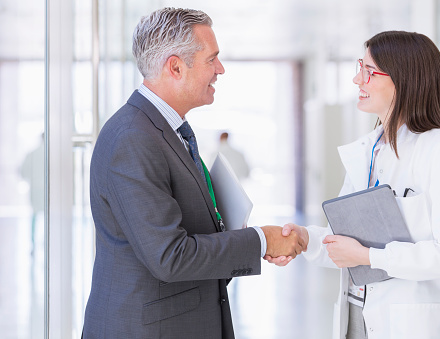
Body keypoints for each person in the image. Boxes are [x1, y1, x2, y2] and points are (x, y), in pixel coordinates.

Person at [82, 8, 305, 339]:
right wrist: (260, 240)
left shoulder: (166, 130)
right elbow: (169, 256)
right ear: (175, 67)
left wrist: (229, 231)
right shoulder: (133, 139)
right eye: (212, 60)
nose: (220, 70)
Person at [267, 31, 440, 339]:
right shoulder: (368, 150)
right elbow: (346, 243)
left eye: (369, 71)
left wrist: (369, 257)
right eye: (358, 67)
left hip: (406, 323)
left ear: (404, 79)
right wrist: (305, 239)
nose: (357, 80)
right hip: (355, 316)